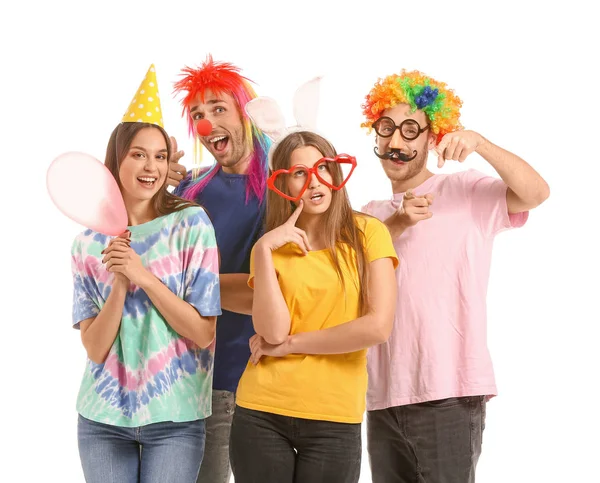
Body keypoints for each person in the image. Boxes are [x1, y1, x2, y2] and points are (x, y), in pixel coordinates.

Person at [361, 69, 550, 483]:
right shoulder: (368, 216)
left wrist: (479, 142)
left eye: (411, 130)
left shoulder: (468, 191)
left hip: (449, 392)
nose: (396, 141)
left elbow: (536, 193)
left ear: (433, 139)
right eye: (387, 128)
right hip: (381, 398)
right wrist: (397, 223)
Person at [71, 65, 221, 483]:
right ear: (117, 159)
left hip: (174, 418)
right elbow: (95, 348)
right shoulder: (86, 242)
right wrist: (120, 284)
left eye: (159, 156)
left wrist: (144, 275)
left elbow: (203, 332)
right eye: (138, 154)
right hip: (101, 420)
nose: (150, 166)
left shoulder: (192, 224)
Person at [228, 127, 399, 483]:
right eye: (300, 173)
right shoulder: (273, 246)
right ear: (284, 185)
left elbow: (377, 327)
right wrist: (261, 251)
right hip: (261, 410)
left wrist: (291, 345)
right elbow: (271, 331)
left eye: (322, 168)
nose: (314, 182)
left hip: (333, 417)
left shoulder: (368, 233)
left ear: (336, 172)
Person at [169, 55, 271, 483]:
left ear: (246, 113)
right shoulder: (190, 190)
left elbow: (268, 292)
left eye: (218, 109)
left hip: (242, 380)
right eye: (197, 114)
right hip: (181, 380)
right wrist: (157, 185)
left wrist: (179, 288)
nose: (207, 124)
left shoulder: (281, 187)